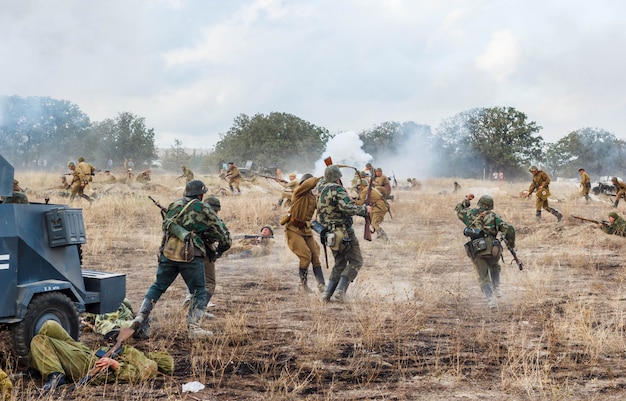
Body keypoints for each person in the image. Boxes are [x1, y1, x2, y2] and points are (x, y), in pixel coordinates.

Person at [131, 180, 231, 340]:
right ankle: (194, 328)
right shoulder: (204, 207)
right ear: (201, 194)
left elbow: (166, 228)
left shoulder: (174, 204)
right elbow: (223, 235)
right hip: (191, 254)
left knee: (158, 286)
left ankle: (141, 316)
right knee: (199, 290)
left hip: (169, 251)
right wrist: (218, 252)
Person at [28, 320, 174, 392]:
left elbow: (136, 375)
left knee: (39, 340)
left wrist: (114, 364)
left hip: (89, 364)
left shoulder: (149, 364)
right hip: (87, 353)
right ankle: (40, 365)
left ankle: (55, 376)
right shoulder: (136, 354)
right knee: (50, 326)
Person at [317, 165, 371, 302]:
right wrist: (364, 210)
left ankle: (327, 294)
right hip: (344, 232)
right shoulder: (337, 189)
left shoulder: (321, 189)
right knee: (356, 261)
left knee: (340, 263)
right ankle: (340, 292)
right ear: (338, 177)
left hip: (329, 233)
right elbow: (346, 208)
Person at [456, 194, 516, 309]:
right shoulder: (494, 216)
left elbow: (458, 209)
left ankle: (491, 299)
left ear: (479, 203)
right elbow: (509, 229)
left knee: (483, 276)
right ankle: (497, 289)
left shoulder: (470, 213)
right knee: (495, 266)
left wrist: (467, 200)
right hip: (494, 248)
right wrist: (511, 244)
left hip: (477, 248)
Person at [183, 195, 230, 320]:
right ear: (216, 210)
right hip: (204, 253)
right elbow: (227, 241)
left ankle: (189, 300)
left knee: (193, 280)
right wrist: (217, 253)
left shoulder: (191, 217)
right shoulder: (215, 221)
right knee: (208, 283)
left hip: (184, 251)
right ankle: (198, 311)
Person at [284, 173, 325, 293]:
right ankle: (303, 286)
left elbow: (320, 207)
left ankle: (322, 285)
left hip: (306, 230)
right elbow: (310, 183)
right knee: (305, 256)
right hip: (293, 229)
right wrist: (323, 176)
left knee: (315, 256)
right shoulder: (298, 191)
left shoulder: (312, 197)